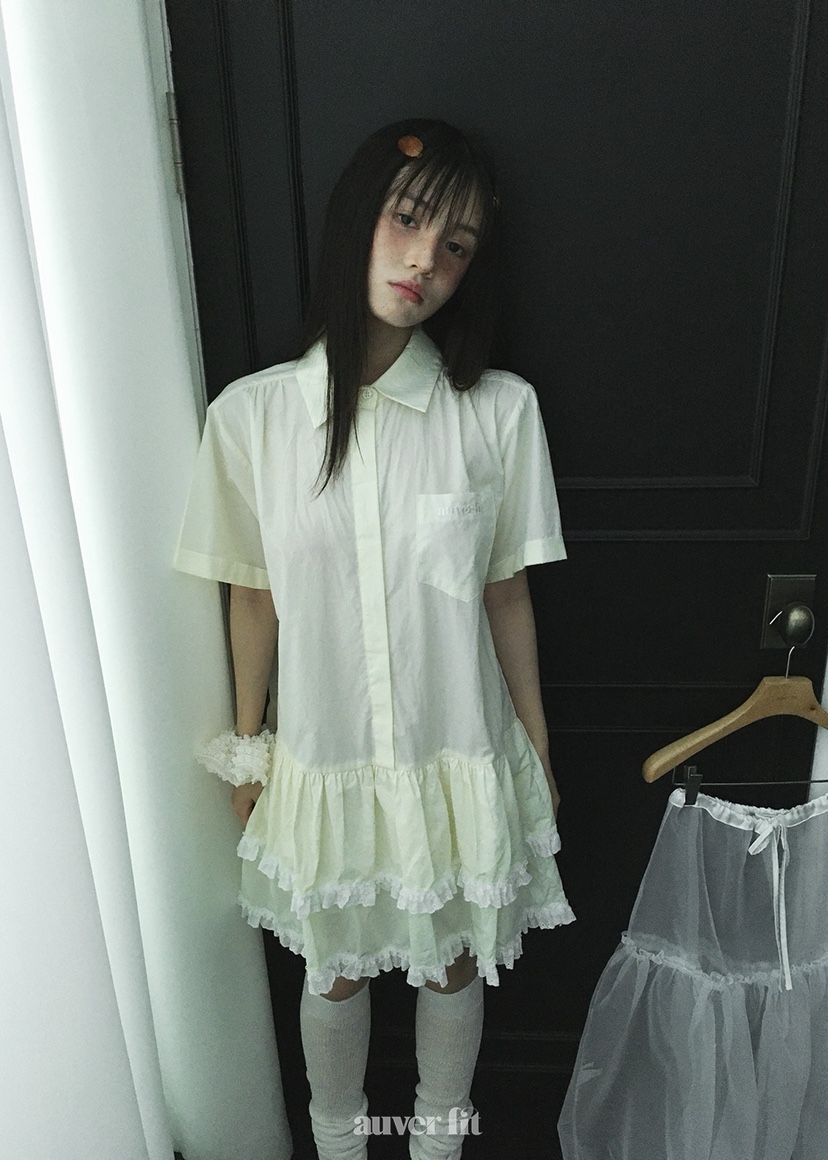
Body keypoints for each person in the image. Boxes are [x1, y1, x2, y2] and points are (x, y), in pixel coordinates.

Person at [174, 118, 575, 1160]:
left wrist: (536, 744)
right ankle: (339, 1144)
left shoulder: (495, 414)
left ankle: (439, 1143)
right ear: (360, 217)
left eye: (457, 245)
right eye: (408, 221)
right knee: (335, 966)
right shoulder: (253, 419)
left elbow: (506, 594)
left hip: (457, 752)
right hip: (329, 757)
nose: (425, 261)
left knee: (455, 958)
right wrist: (250, 748)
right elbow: (252, 596)